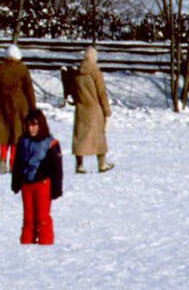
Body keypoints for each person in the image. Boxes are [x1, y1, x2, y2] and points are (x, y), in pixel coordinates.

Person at [10, 108, 63, 245]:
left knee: (42, 218)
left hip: (43, 184)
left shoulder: (51, 143)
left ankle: (45, 246)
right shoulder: (23, 141)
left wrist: (56, 188)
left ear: (41, 125)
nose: (31, 128)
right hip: (27, 184)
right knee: (28, 218)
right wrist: (16, 182)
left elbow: (57, 168)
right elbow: (17, 164)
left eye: (34, 125)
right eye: (28, 125)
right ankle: (26, 245)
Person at [0, 44, 36, 173]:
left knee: (4, 133)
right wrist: (33, 108)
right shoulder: (22, 69)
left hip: (3, 104)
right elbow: (29, 90)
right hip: (20, 105)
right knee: (16, 135)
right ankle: (13, 163)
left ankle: (2, 159)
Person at [65, 45, 114, 173]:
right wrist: (107, 110)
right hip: (95, 110)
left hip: (81, 110)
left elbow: (72, 91)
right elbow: (102, 93)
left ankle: (79, 165)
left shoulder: (77, 74)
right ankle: (102, 164)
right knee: (99, 137)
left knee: (79, 138)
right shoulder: (96, 73)